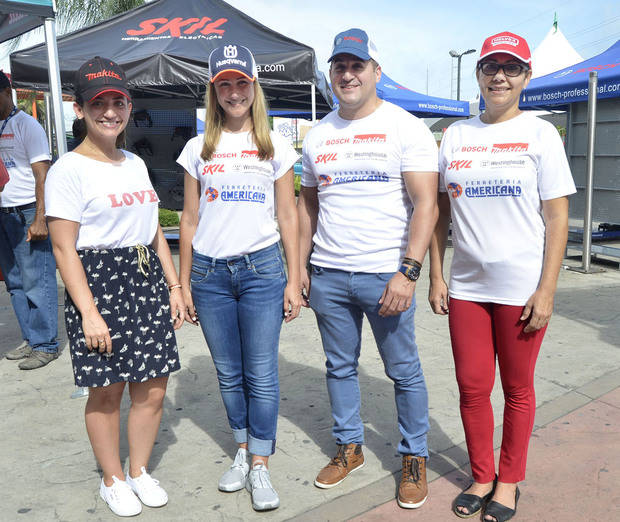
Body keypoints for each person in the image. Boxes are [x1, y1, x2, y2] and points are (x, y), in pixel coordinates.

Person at [428, 32, 576, 522]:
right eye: (491, 66)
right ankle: (481, 473)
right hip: (467, 288)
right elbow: (439, 214)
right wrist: (436, 275)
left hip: (521, 291)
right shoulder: (456, 134)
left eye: (511, 68)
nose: (499, 75)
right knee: (472, 387)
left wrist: (547, 290)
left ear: (526, 77)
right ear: (478, 73)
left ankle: (509, 480)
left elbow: (558, 219)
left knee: (517, 389)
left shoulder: (541, 135)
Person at [298, 28, 439, 509]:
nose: (347, 74)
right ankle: (349, 448)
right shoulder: (318, 135)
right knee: (339, 367)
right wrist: (300, 269)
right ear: (331, 76)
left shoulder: (406, 127)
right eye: (339, 66)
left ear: (376, 72)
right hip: (330, 276)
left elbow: (426, 206)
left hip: (386, 276)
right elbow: (307, 209)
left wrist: (409, 272)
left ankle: (413, 457)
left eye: (357, 65)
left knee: (404, 372)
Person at [45, 57, 185, 517]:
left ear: (128, 105)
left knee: (153, 386)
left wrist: (174, 286)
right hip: (98, 281)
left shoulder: (136, 164)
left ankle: (140, 470)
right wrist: (88, 312)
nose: (110, 111)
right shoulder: (69, 169)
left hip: (144, 276)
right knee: (106, 389)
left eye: (117, 101)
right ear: (80, 109)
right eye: (98, 102)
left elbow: (150, 232)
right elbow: (65, 249)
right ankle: (112, 478)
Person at [177, 44, 301, 512]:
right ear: (214, 91)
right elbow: (189, 219)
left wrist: (293, 278)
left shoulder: (274, 145)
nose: (233, 92)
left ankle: (262, 465)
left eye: (241, 83)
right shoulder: (198, 148)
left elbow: (288, 216)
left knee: (262, 373)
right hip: (209, 273)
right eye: (224, 84)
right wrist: (184, 283)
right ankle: (243, 452)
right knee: (229, 375)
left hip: (261, 270)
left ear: (254, 87)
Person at [0, 71, 59, 369]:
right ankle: (30, 339)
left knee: (38, 280)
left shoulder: (27, 125)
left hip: (26, 211)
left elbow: (42, 175)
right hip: (3, 213)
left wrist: (40, 218)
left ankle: (46, 344)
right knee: (14, 283)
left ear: (6, 92)